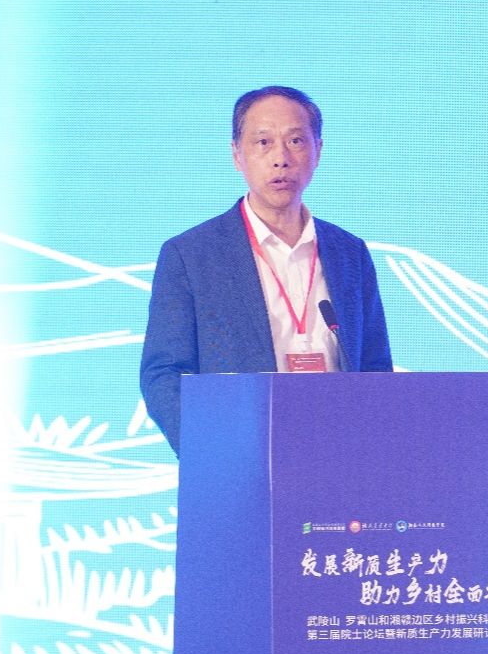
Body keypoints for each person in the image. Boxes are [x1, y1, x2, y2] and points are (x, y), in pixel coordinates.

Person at [139, 86, 393, 455]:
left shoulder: (349, 253)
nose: (281, 159)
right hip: (240, 459)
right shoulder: (191, 255)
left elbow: (375, 367)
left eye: (296, 141)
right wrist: (212, 453)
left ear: (318, 151)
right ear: (236, 155)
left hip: (340, 457)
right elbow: (163, 376)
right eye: (263, 142)